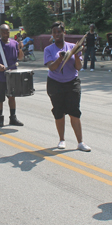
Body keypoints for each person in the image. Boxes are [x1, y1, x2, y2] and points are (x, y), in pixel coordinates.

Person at [44, 21, 91, 152]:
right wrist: (60, 59)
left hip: (72, 83)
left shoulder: (72, 46)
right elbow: (51, 67)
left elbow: (79, 67)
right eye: (54, 32)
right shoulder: (48, 49)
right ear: (52, 35)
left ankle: (80, 142)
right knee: (59, 112)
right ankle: (62, 139)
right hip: (55, 83)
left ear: (64, 32)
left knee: (74, 111)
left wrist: (76, 55)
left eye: (59, 31)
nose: (57, 34)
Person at [0, 24, 25, 127]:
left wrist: (20, 48)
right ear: (0, 33)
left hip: (13, 75)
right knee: (0, 98)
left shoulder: (14, 43)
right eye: (3, 32)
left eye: (7, 32)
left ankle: (13, 118)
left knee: (12, 97)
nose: (6, 34)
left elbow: (20, 58)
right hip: (0, 76)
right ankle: (0, 118)